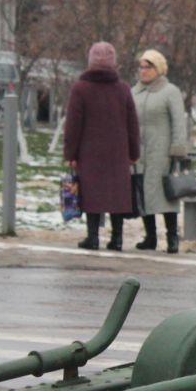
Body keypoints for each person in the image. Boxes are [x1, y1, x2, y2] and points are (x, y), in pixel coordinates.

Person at [65, 41, 141, 252]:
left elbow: (73, 124)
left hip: (89, 152)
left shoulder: (80, 88)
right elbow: (132, 123)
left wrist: (70, 153)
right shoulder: (123, 89)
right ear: (113, 63)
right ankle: (117, 239)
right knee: (117, 195)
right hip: (118, 152)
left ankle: (93, 237)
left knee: (92, 194)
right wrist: (134, 152)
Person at [131, 48, 190, 254]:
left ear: (158, 69)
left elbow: (178, 123)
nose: (143, 71)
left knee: (166, 195)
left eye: (148, 67)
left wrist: (177, 149)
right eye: (141, 67)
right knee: (145, 194)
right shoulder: (135, 92)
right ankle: (150, 236)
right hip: (139, 153)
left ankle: (172, 237)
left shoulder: (170, 91)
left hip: (162, 153)